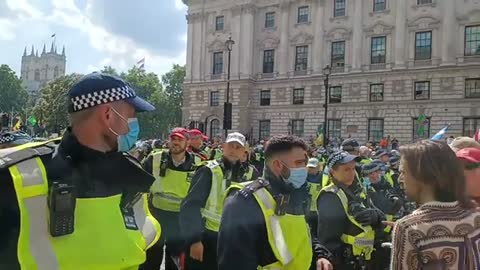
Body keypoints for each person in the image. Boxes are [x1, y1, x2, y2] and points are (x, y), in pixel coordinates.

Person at [0, 73, 161, 269]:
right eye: (132, 115)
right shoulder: (13, 176)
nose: (134, 123)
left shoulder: (130, 170)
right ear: (108, 115)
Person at [218, 135, 333, 270]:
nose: (304, 169)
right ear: (278, 165)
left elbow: (302, 234)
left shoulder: (293, 194)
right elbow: (234, 262)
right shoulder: (244, 201)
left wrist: (320, 255)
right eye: (299, 163)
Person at [391, 140, 480, 270]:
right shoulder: (476, 216)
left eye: (403, 172)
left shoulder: (408, 228)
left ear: (421, 175)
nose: (400, 179)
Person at [180, 132, 248, 270]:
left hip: (233, 241)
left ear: (244, 152)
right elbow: (190, 206)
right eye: (231, 146)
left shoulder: (250, 174)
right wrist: (195, 240)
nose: (233, 150)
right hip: (206, 238)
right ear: (223, 147)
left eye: (238, 147)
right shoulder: (208, 170)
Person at [142, 127, 200, 270]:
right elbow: (139, 181)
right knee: (151, 256)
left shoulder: (198, 163)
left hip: (180, 218)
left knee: (175, 259)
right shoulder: (154, 158)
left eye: (180, 139)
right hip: (156, 214)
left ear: (187, 142)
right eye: (173, 139)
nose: (175, 142)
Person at [317, 151, 385, 269]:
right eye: (346, 169)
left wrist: (376, 216)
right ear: (333, 171)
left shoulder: (359, 192)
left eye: (353, 169)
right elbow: (329, 240)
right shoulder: (330, 196)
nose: (352, 173)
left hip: (367, 259)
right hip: (346, 263)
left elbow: (381, 217)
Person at [306, 157, 322, 236]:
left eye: (313, 167)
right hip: (306, 210)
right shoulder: (303, 178)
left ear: (318, 167)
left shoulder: (323, 178)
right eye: (310, 167)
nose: (311, 169)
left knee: (316, 232)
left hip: (318, 210)